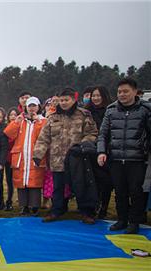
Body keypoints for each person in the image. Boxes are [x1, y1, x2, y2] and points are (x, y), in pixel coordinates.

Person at [33, 87, 98, 224]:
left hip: (77, 160)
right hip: (57, 160)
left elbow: (92, 133)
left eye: (66, 100)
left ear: (74, 100)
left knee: (81, 186)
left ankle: (86, 212)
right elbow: (43, 138)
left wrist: (82, 146)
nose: (63, 103)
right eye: (61, 100)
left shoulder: (84, 114)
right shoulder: (53, 117)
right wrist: (38, 155)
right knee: (58, 188)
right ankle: (57, 210)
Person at [98, 78, 151, 234]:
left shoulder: (146, 110)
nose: (122, 94)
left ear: (135, 92)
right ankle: (122, 219)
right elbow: (103, 134)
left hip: (137, 159)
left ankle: (134, 221)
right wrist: (101, 151)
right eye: (119, 92)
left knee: (136, 191)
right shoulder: (111, 110)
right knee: (120, 191)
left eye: (126, 91)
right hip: (115, 158)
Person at [4, 97, 47, 216]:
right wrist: (16, 122)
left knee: (35, 181)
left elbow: (44, 136)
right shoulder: (21, 121)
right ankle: (24, 206)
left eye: (34, 106)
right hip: (21, 157)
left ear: (38, 107)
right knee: (21, 181)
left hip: (35, 156)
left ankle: (35, 206)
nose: (32, 108)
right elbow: (8, 133)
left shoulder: (43, 121)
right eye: (29, 106)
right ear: (26, 108)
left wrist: (36, 121)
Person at [87, 85, 113, 219]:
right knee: (93, 180)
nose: (96, 98)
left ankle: (104, 207)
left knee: (106, 181)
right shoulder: (87, 112)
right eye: (93, 96)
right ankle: (94, 206)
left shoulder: (111, 110)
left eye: (98, 96)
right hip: (90, 150)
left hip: (107, 150)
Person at [1, 108, 18, 211]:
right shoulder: (5, 127)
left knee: (9, 181)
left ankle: (9, 201)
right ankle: (1, 201)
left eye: (15, 115)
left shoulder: (19, 128)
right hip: (2, 157)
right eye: (11, 115)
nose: (13, 117)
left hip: (12, 158)